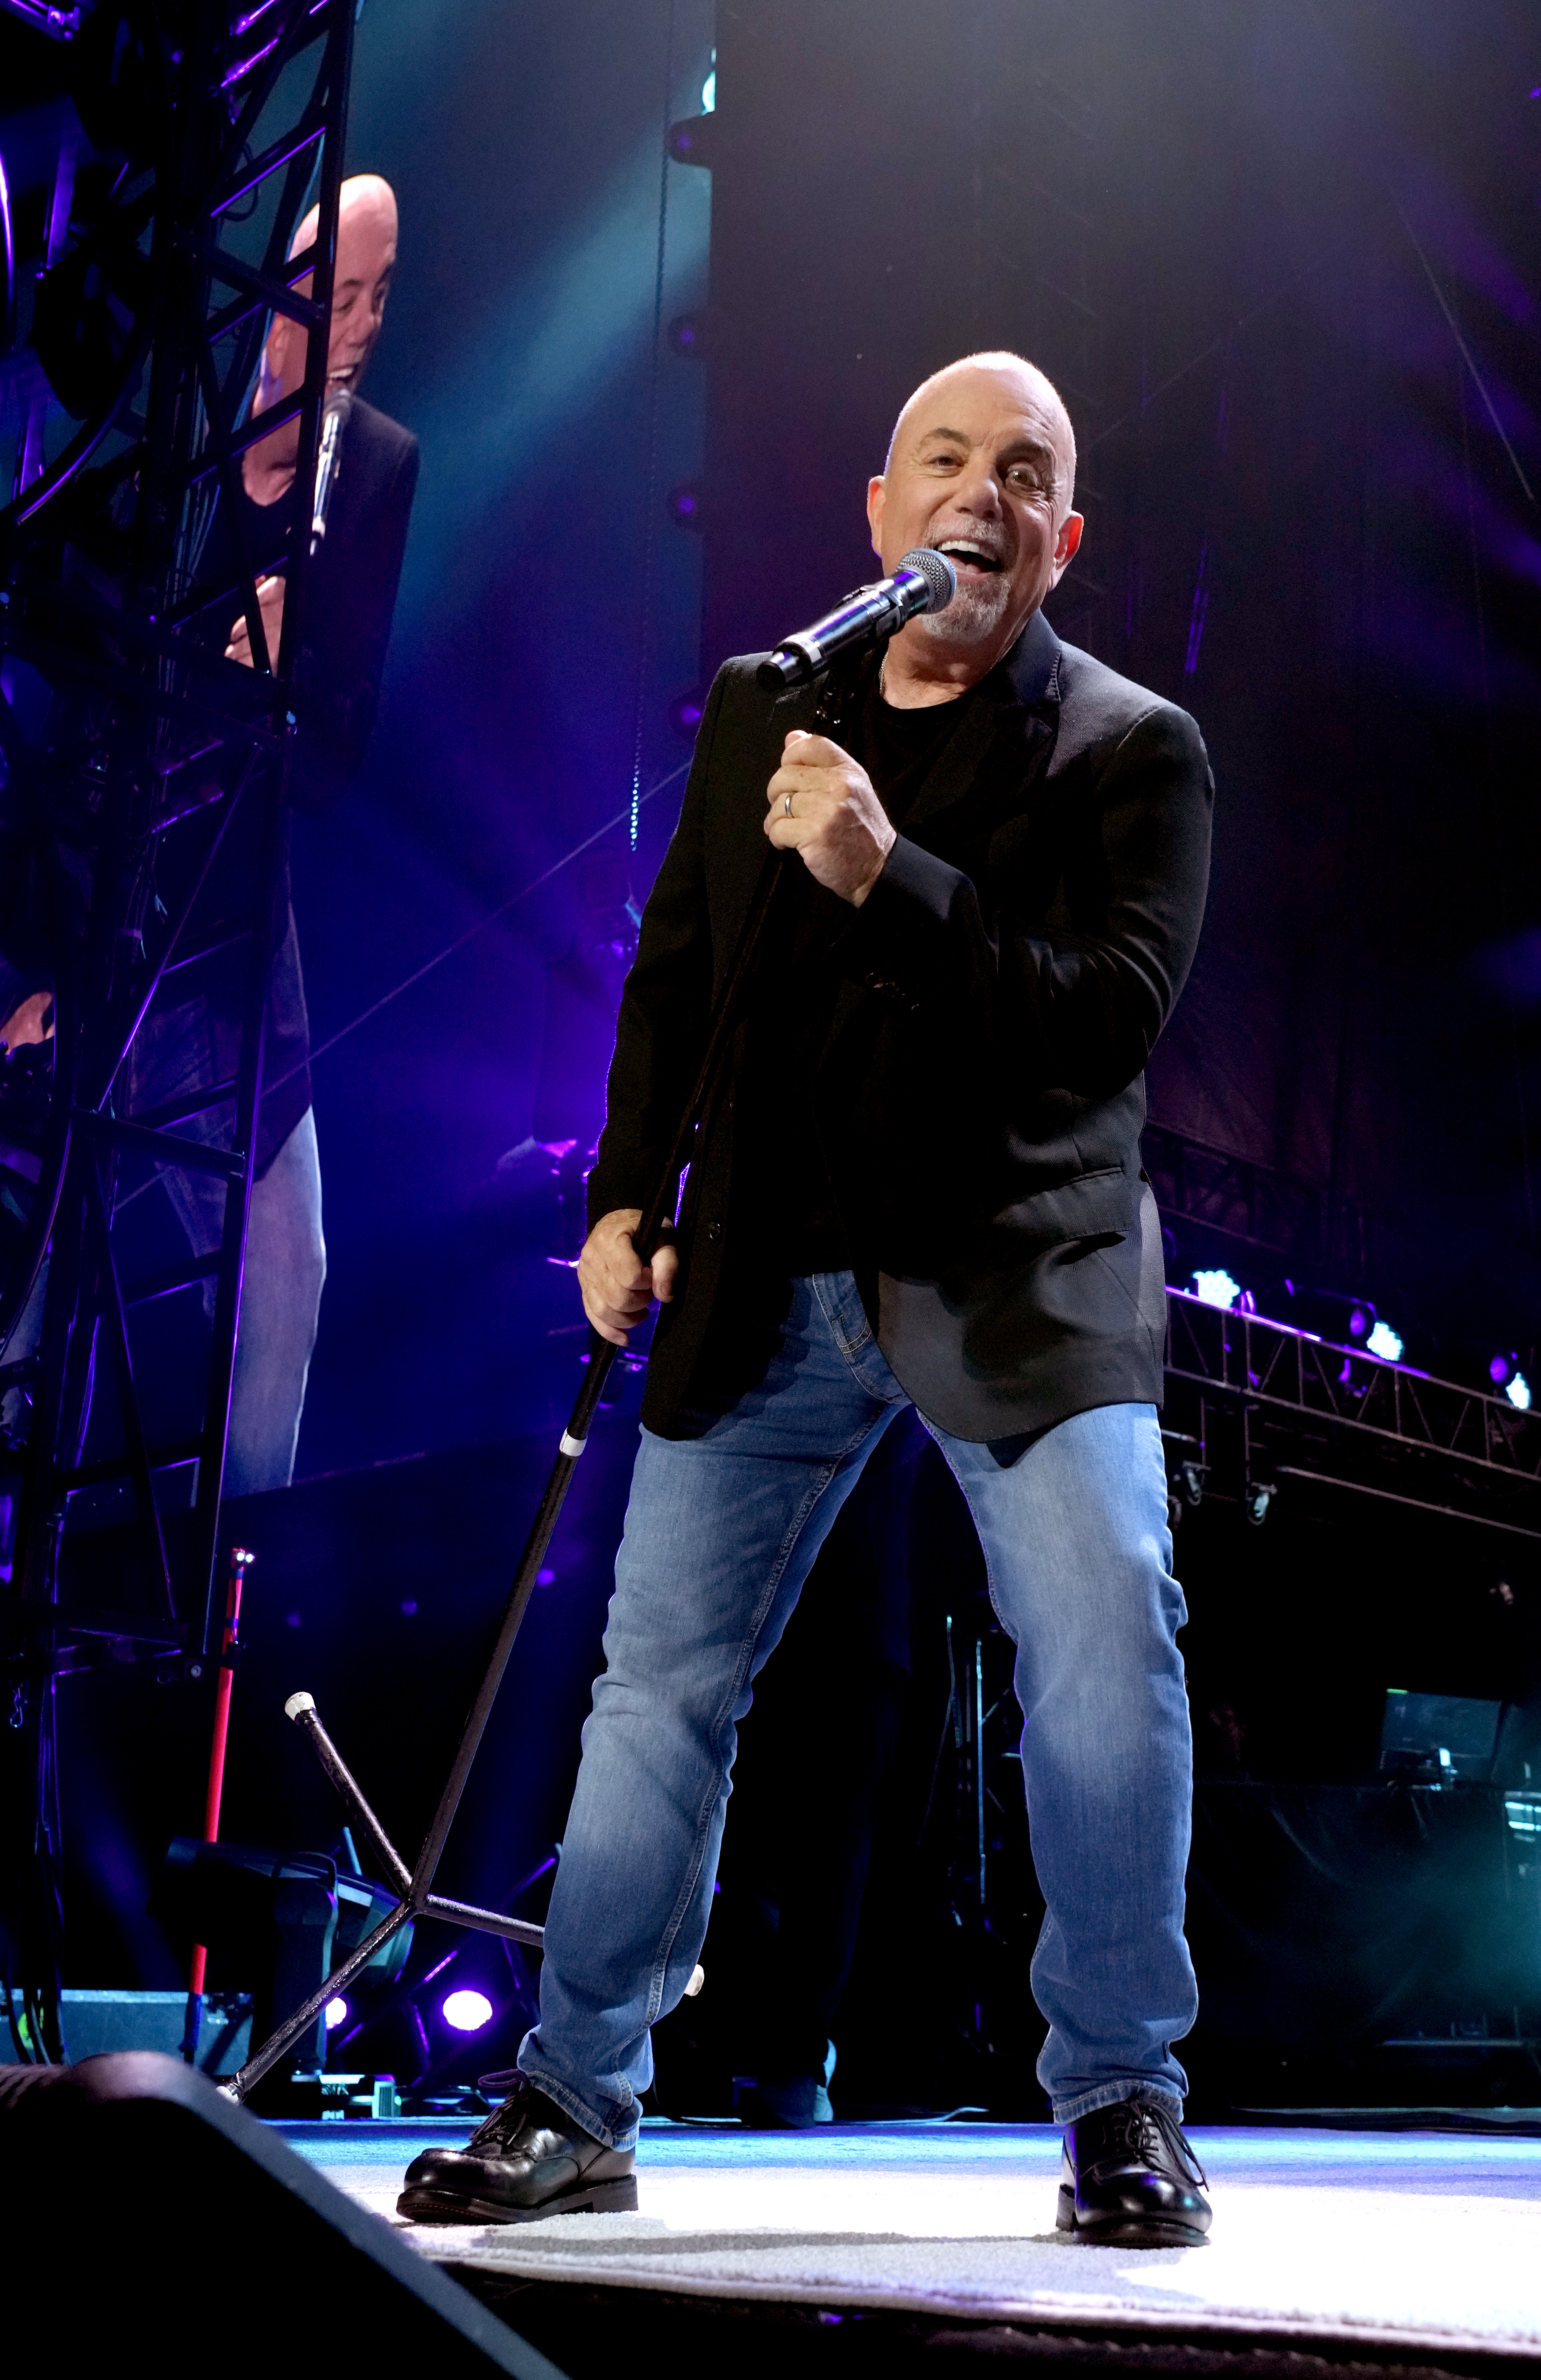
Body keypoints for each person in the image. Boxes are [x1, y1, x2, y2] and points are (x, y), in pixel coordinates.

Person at [400, 353, 1215, 2244]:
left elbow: (1100, 1022)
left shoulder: (1126, 746)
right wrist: (622, 1195)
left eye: (1026, 473)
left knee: (1105, 1645)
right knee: (655, 1687)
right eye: (947, 458)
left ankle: (1118, 2100)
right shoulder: (772, 700)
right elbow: (678, 970)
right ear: (879, 509)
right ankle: (572, 2095)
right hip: (768, 1265)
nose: (983, 494)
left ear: (1061, 538)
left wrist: (887, 874)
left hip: (1017, 1267)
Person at [129, 174, 417, 1493]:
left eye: (377, 297)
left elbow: (340, 757)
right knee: (49, 1268)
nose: (354, 327)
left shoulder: (374, 470)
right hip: (98, 890)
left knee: (288, 1262)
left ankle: (230, 1595)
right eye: (331, 295)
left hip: (234, 917)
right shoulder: (166, 419)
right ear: (272, 287)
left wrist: (287, 687)